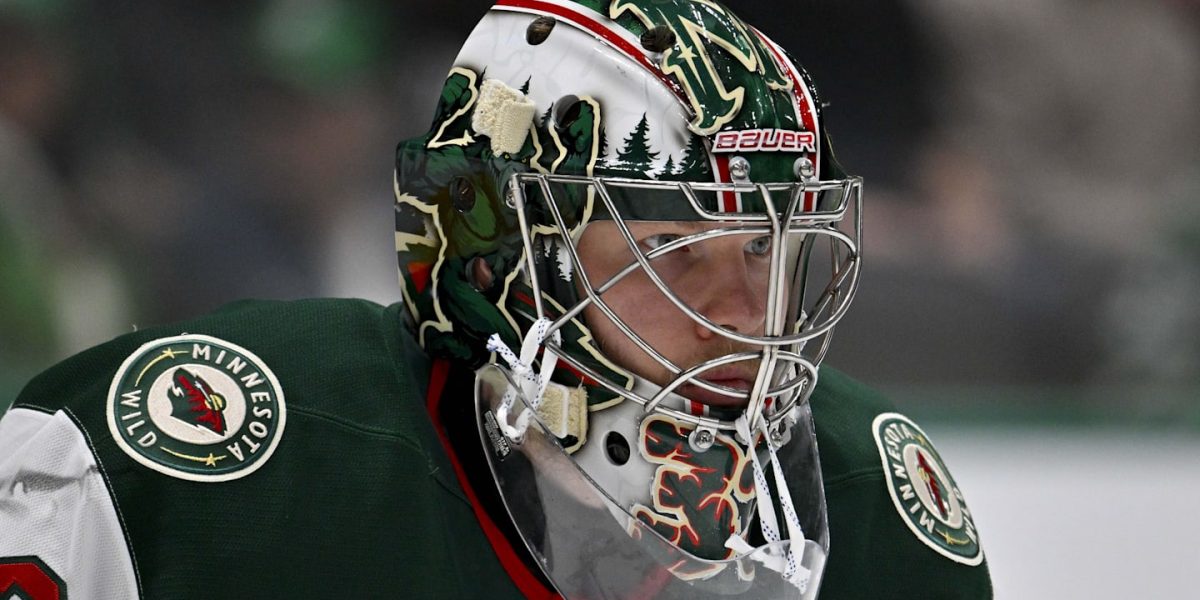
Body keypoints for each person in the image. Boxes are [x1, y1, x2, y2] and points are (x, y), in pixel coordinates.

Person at [0, 0, 992, 597]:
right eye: (679, 257)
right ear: (503, 257)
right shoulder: (206, 472)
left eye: (774, 256)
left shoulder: (881, 520)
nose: (749, 317)